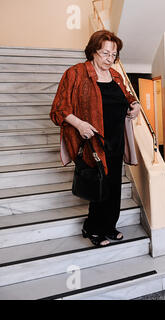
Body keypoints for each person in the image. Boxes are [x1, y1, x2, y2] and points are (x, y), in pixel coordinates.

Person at [50, 30, 141, 247]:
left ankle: (109, 226)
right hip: (93, 141)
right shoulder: (76, 73)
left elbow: (128, 96)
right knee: (100, 184)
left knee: (114, 185)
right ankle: (93, 228)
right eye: (105, 54)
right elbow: (58, 110)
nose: (110, 59)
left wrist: (135, 105)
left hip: (117, 140)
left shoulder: (116, 76)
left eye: (114, 55)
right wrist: (80, 124)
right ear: (93, 51)